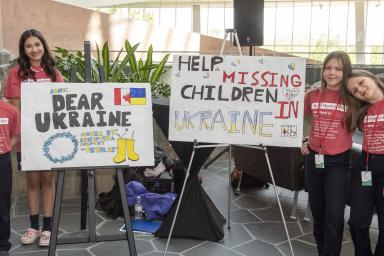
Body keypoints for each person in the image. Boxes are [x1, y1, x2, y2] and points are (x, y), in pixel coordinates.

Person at [3, 29, 63, 247]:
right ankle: (33, 226)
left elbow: (61, 107)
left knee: (48, 179)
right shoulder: (16, 73)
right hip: (27, 138)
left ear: (43, 46)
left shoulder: (54, 74)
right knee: (31, 181)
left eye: (37, 44)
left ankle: (48, 227)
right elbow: (15, 109)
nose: (34, 49)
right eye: (28, 46)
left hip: (50, 138)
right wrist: (21, 136)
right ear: (23, 50)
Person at [301, 51, 359, 255]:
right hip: (313, 158)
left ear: (346, 72)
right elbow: (290, 114)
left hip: (338, 162)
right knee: (318, 213)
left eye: (338, 69)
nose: (332, 72)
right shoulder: (313, 94)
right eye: (328, 68)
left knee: (334, 216)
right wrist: (300, 138)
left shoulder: (353, 98)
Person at [346, 70, 384, 256]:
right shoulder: (361, 111)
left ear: (373, 77)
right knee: (356, 222)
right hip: (366, 165)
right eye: (354, 90)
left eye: (361, 82)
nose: (359, 89)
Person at [0, 99, 20, 256]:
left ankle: (2, 245)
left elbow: (15, 135)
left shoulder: (10, 110)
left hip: (2, 160)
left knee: (3, 203)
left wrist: (6, 148)